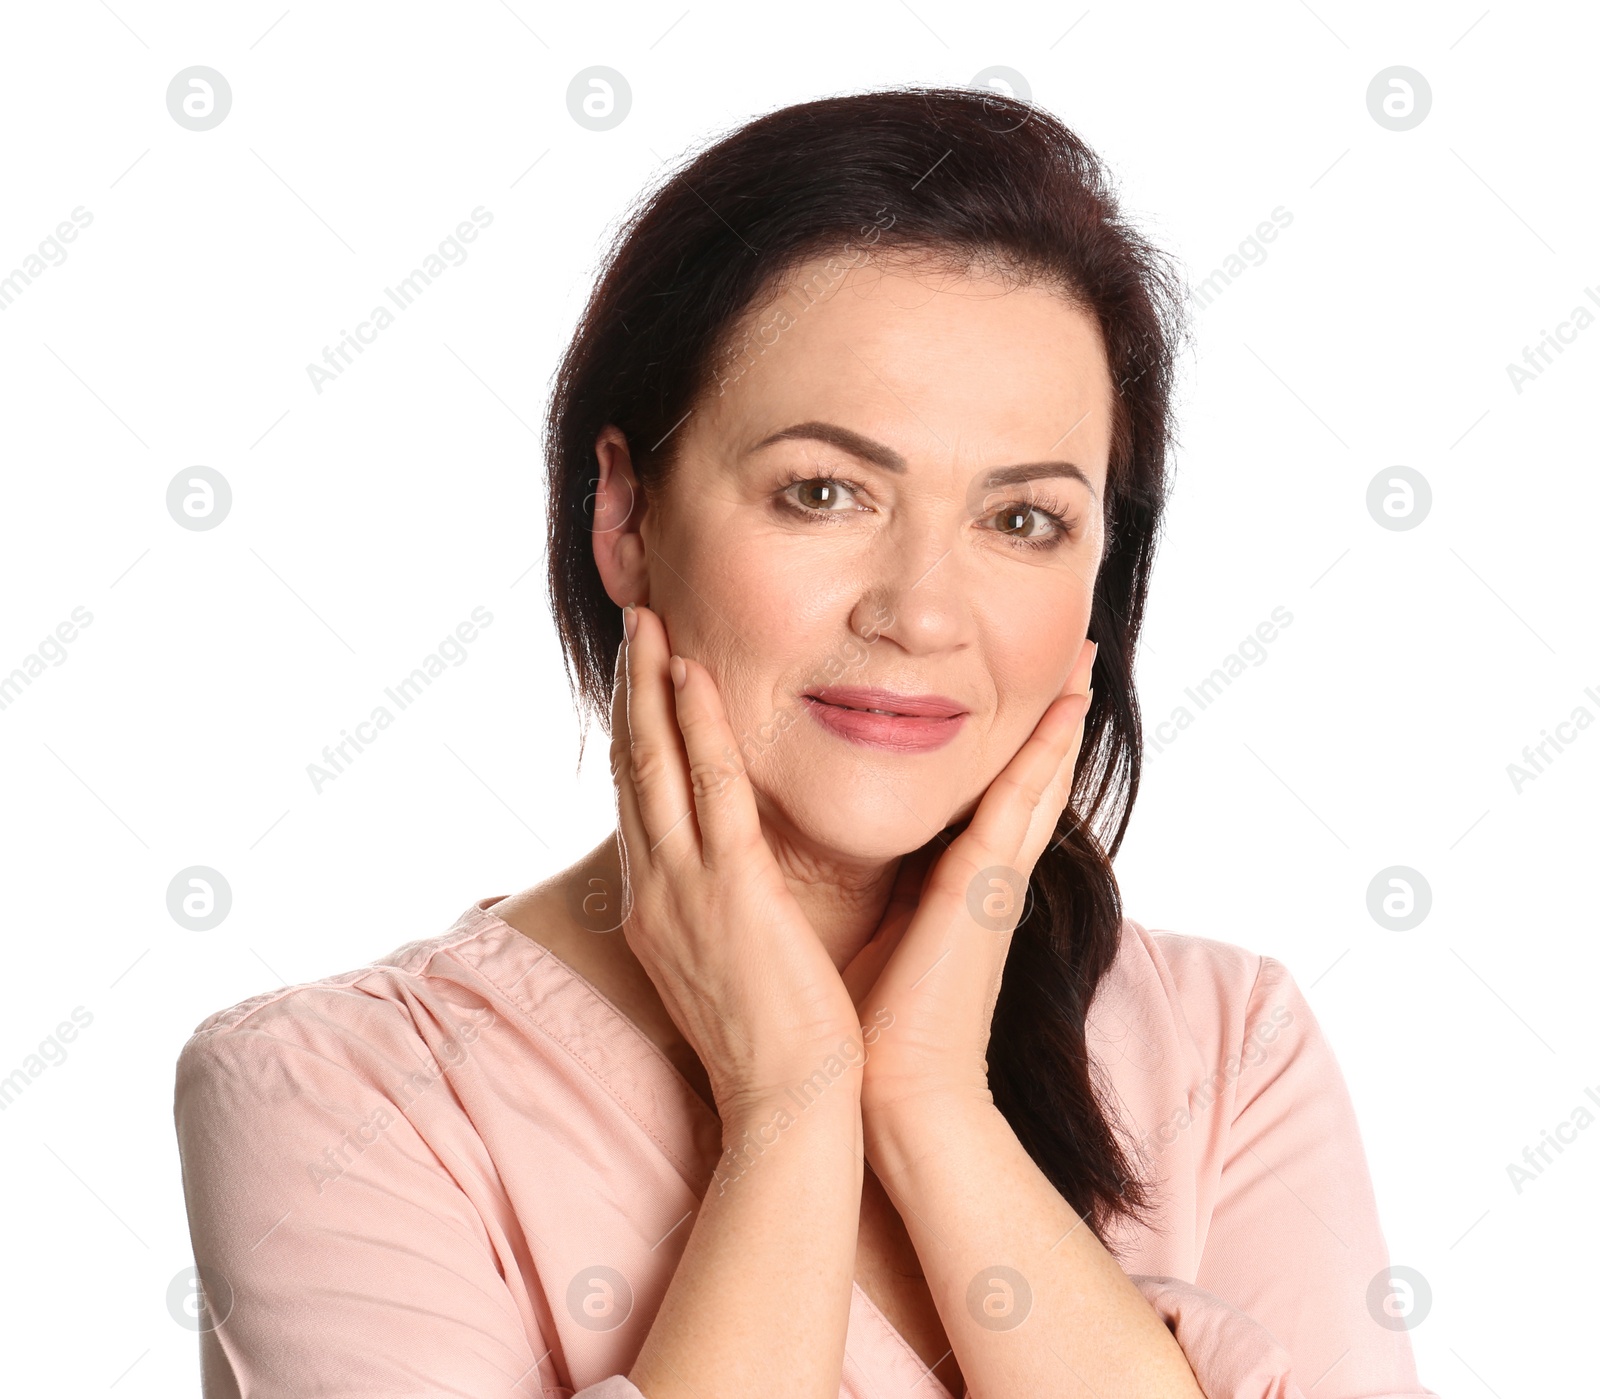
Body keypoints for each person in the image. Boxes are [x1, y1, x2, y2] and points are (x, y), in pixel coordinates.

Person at [173, 85, 1440, 1398]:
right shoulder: (343, 1098)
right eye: (824, 492)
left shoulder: (1225, 1052)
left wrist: (931, 1103)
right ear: (625, 515)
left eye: (1023, 521)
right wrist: (788, 1110)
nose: (922, 612)